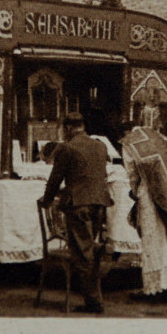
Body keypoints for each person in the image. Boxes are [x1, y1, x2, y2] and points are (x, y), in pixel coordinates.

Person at [41, 113, 112, 314]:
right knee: (91, 250)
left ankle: (94, 303)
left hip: (79, 205)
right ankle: (94, 297)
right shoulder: (100, 146)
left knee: (83, 254)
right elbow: (94, 176)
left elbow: (55, 179)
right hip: (99, 204)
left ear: (69, 128)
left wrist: (46, 201)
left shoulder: (66, 148)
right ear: (82, 126)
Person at [120, 123, 167, 302]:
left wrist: (135, 192)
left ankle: (156, 289)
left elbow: (132, 174)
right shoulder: (164, 139)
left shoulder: (130, 143)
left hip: (151, 196)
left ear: (126, 131)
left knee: (156, 239)